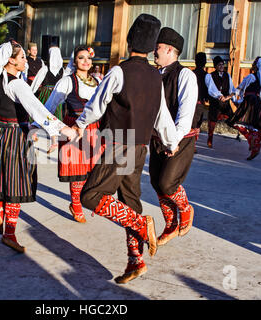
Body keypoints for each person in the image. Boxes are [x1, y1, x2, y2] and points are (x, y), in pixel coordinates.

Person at [73, 14, 180, 284]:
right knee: (130, 201)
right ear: (151, 45)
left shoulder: (119, 71)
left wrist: (79, 124)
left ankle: (141, 224)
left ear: (130, 40)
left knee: (91, 195)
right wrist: (171, 142)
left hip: (119, 144)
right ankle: (136, 261)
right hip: (140, 147)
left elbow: (97, 104)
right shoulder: (156, 77)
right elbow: (162, 116)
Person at [0, 41, 76, 253]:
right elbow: (38, 110)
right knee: (17, 183)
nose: (27, 61)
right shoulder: (17, 84)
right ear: (11, 60)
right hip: (13, 136)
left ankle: (0, 210)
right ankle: (9, 234)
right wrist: (63, 129)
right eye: (23, 57)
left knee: (5, 178)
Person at [33, 45, 104, 223]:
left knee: (93, 171)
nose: (86, 61)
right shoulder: (66, 81)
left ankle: (87, 200)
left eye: (88, 58)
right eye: (81, 58)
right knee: (78, 170)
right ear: (75, 61)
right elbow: (48, 106)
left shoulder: (97, 82)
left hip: (94, 130)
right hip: (74, 130)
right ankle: (76, 204)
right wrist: (38, 126)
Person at [150, 27, 198, 247]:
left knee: (167, 183)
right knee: (155, 183)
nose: (154, 51)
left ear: (170, 49)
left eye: (157, 47)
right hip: (157, 137)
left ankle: (186, 208)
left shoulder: (185, 75)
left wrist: (174, 140)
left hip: (181, 137)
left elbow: (185, 114)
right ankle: (170, 225)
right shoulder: (152, 74)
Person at [228, 57, 261, 160]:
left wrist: (234, 98)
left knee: (237, 122)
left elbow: (240, 88)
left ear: (255, 67)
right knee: (257, 125)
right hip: (260, 102)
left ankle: (251, 140)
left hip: (250, 102)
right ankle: (255, 146)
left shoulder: (251, 77)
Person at [31, 45, 66, 153]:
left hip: (46, 94)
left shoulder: (45, 69)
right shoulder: (62, 71)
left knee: (40, 114)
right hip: (56, 95)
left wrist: (31, 93)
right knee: (54, 118)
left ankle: (34, 133)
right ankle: (54, 141)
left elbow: (36, 83)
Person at [205, 55, 235, 148]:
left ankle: (247, 137)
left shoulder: (227, 75)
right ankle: (210, 139)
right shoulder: (210, 76)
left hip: (225, 103)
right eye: (219, 65)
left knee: (233, 119)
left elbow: (231, 89)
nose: (222, 66)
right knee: (212, 121)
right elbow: (211, 89)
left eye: (222, 64)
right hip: (215, 103)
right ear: (215, 66)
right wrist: (219, 96)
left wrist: (229, 97)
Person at [192, 52, 209, 152]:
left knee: (191, 122)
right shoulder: (206, 75)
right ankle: (192, 144)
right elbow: (208, 89)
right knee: (197, 124)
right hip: (199, 102)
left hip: (191, 101)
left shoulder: (191, 73)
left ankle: (190, 143)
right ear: (205, 63)